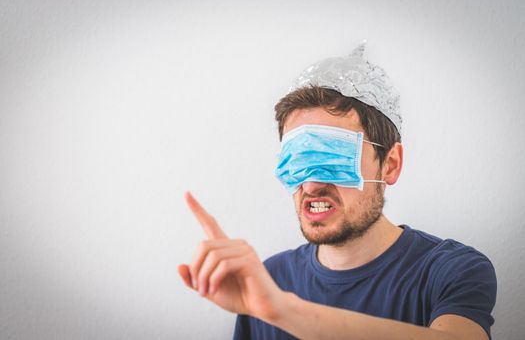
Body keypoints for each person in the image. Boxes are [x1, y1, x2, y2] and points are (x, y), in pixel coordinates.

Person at [178, 44, 497, 340]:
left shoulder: (450, 270)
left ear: (390, 165)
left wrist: (281, 309)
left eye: (332, 157)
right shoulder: (266, 279)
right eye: (298, 160)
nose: (312, 185)